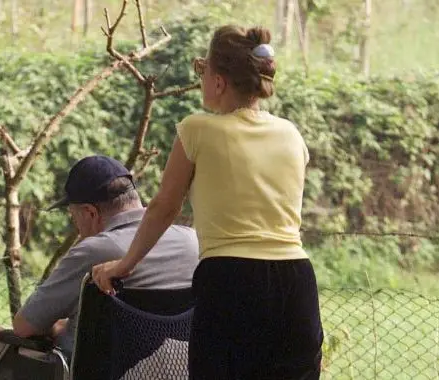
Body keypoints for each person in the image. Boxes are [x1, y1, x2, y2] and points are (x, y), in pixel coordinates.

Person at [91, 26, 324, 379]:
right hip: (297, 281)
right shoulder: (291, 134)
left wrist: (124, 265)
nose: (200, 80)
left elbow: (164, 207)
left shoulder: (197, 130)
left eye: (202, 71)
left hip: (232, 279)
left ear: (218, 81)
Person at [9, 155, 199, 361]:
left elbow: (23, 327)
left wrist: (55, 328)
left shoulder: (93, 252)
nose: (76, 227)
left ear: (90, 213)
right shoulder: (192, 242)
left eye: (73, 217)